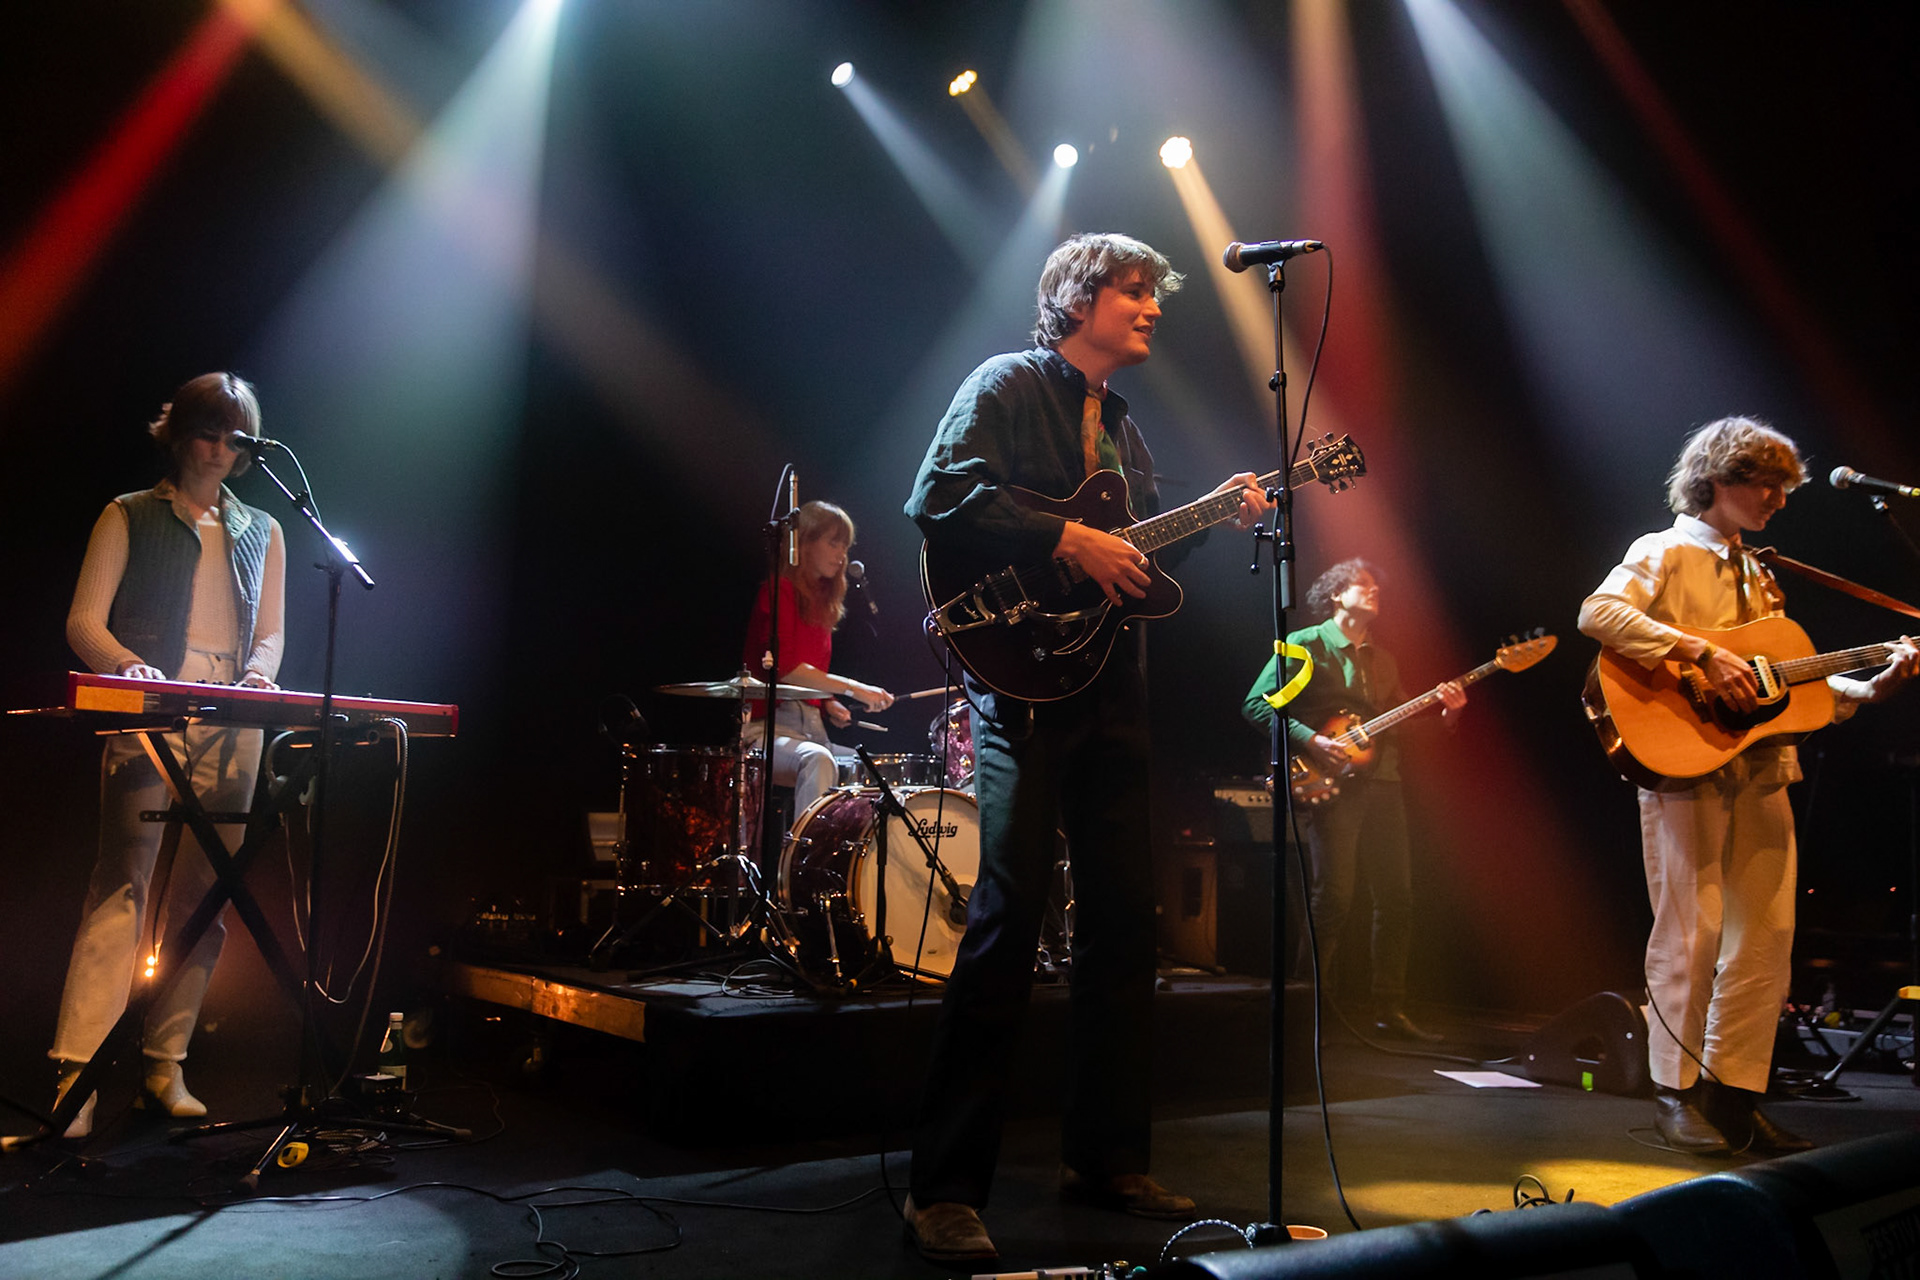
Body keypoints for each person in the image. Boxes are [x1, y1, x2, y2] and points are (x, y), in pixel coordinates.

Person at [901, 232, 1272, 1263]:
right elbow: (939, 494)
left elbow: (1140, 552)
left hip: (1110, 684)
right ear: (1078, 296)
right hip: (1019, 683)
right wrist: (1062, 537)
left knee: (1124, 920)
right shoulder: (1008, 384)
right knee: (1009, 910)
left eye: (1157, 293)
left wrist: (1220, 514)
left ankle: (1107, 1155)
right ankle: (942, 1184)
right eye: (1135, 290)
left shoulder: (1127, 427)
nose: (1153, 306)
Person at [1578, 415, 1918, 1155]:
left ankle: (1733, 1097)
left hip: (1761, 769)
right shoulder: (1661, 550)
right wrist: (1698, 650)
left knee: (1765, 937)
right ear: (1719, 478)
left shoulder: (1762, 570)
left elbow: (1781, 682)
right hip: (1679, 764)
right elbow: (1597, 613)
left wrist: (1875, 688)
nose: (1779, 498)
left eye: (1783, 485)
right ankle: (1673, 1090)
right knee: (1690, 931)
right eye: (1766, 482)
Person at [50, 372, 288, 1139]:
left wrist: (260, 671)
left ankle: (164, 1065)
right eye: (207, 432)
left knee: (205, 899)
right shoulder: (127, 515)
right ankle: (75, 1079)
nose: (219, 449)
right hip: (151, 713)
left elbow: (273, 633)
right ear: (178, 433)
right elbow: (84, 623)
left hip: (235, 716)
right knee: (122, 886)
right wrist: (126, 665)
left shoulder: (264, 530)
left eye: (233, 437)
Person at [1240, 558, 1464, 1043]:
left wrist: (1444, 713)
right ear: (1337, 594)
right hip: (1328, 783)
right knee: (1334, 897)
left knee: (1398, 898)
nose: (1376, 590)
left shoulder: (1384, 661)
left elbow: (1398, 716)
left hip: (1384, 782)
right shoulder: (1305, 645)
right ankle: (1306, 1006)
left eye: (1377, 584)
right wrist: (1309, 739)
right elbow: (1257, 704)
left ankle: (1389, 1007)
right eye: (1365, 584)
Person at [741, 500, 893, 828]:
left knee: (875, 770)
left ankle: (852, 868)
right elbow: (787, 669)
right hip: (767, 729)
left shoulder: (823, 605)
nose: (841, 554)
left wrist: (828, 703)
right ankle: (803, 868)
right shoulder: (777, 591)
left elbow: (811, 678)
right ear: (805, 543)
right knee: (817, 759)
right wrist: (854, 688)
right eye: (833, 542)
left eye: (845, 546)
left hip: (812, 728)